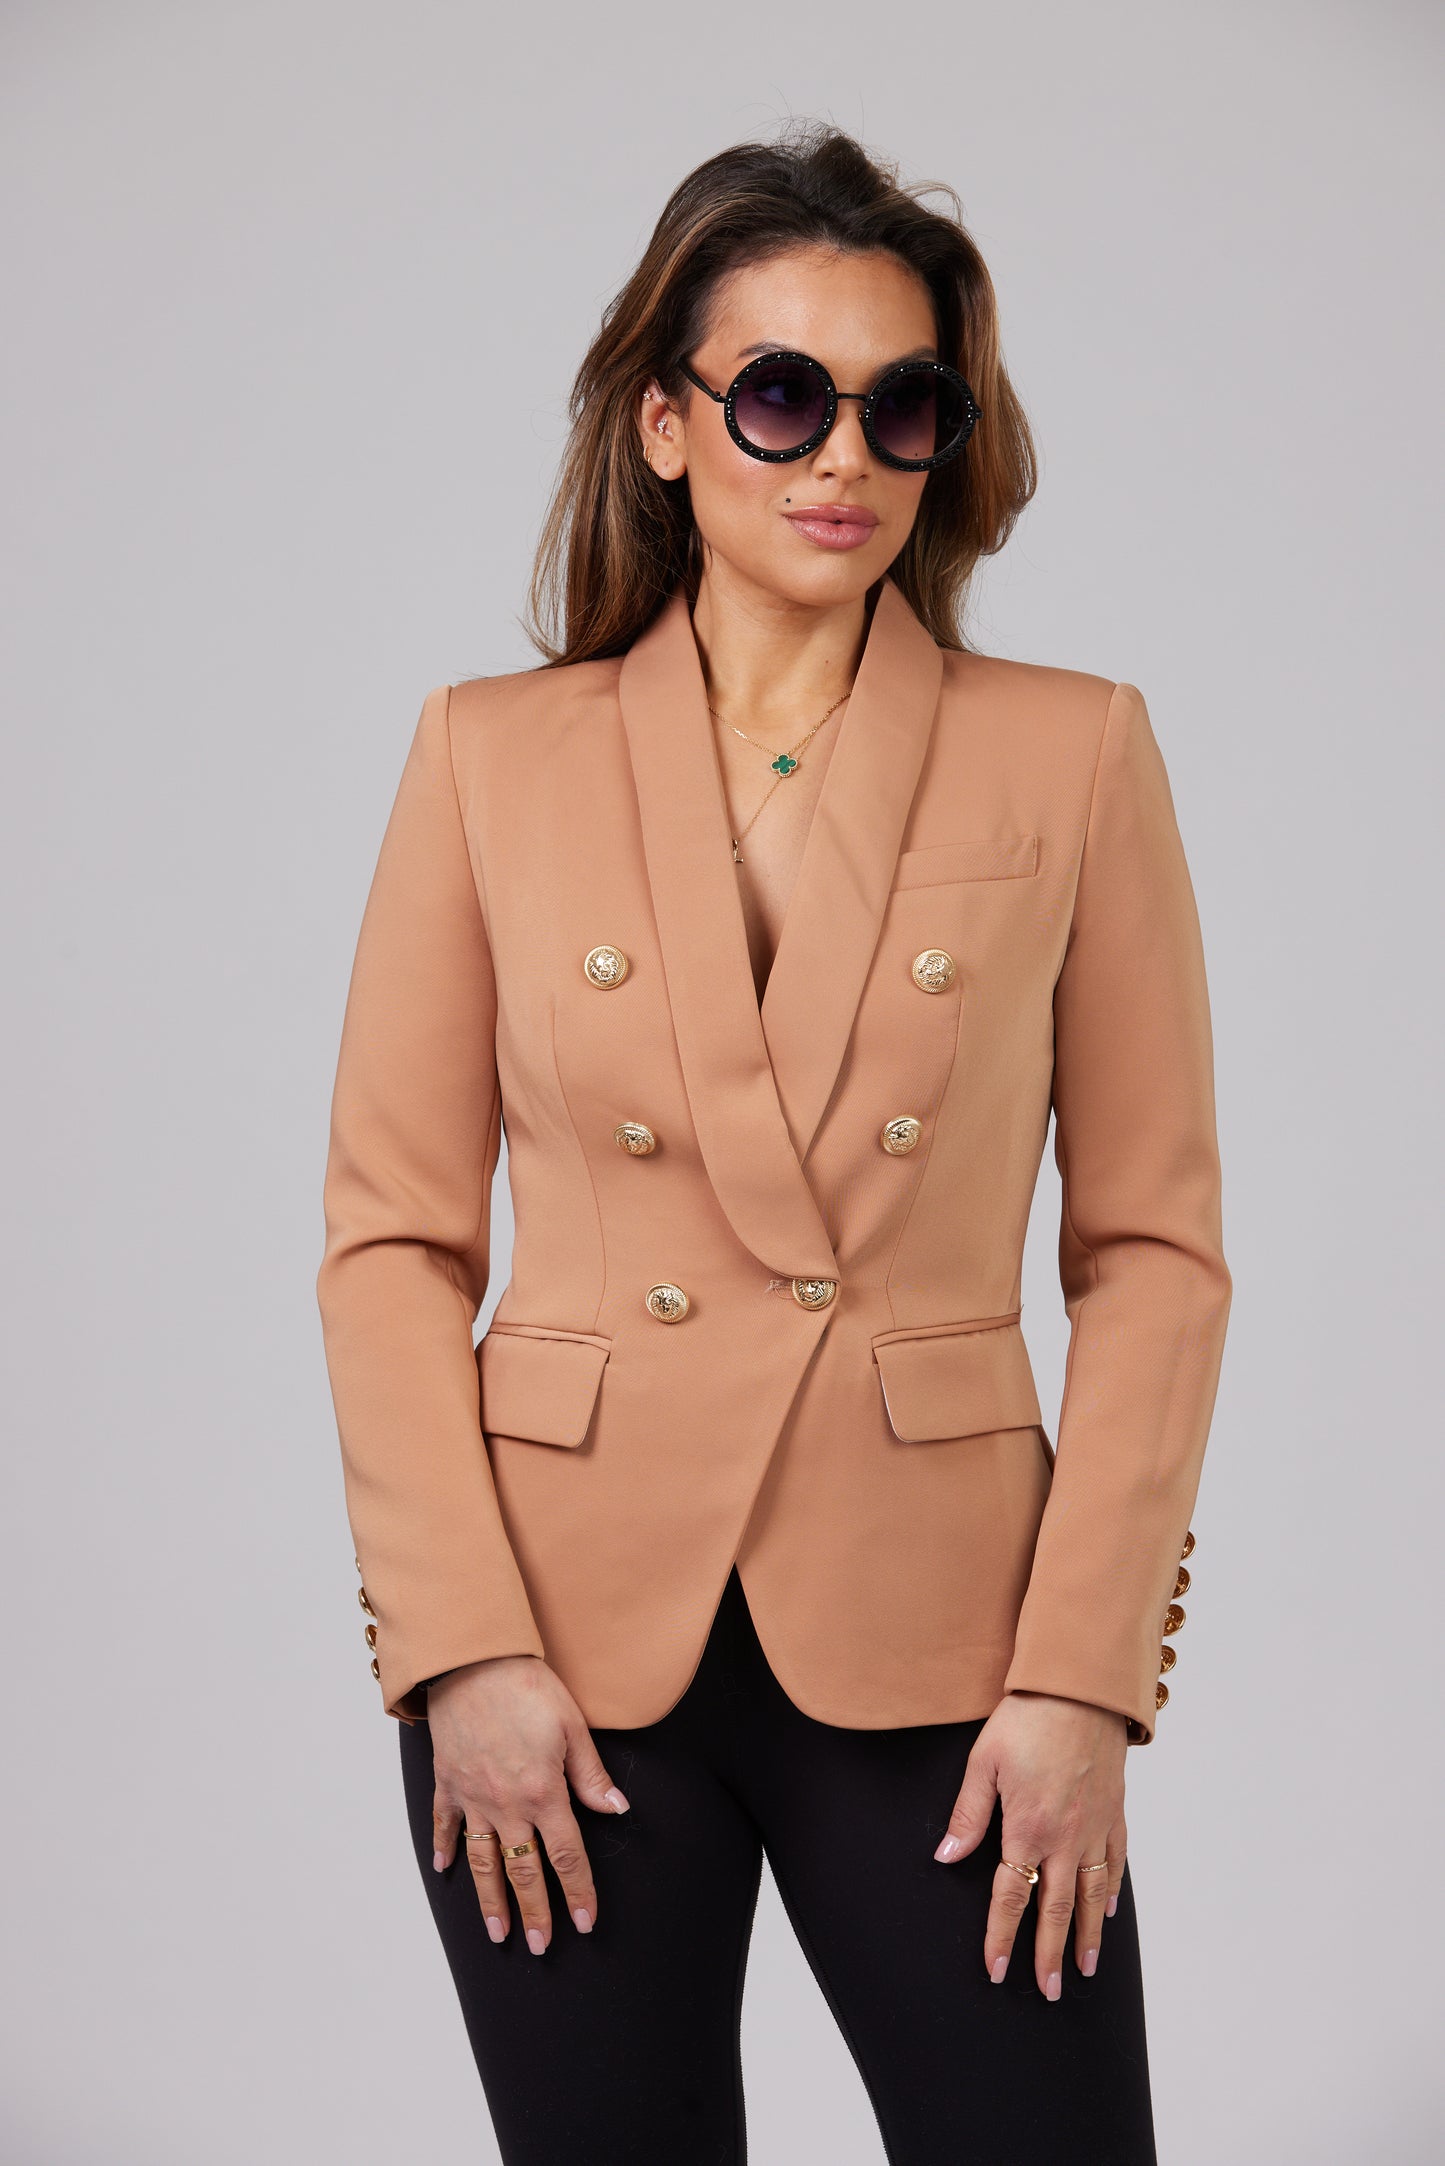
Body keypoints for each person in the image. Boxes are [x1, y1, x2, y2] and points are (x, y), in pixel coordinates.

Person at [316, 119, 1231, 2165]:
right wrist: (458, 1648)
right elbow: (392, 1242)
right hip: (558, 1645)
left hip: (954, 1644)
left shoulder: (1070, 750)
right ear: (665, 423)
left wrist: (1084, 1677)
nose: (842, 456)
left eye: (903, 405)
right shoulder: (486, 758)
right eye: (782, 393)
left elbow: (1153, 1253)